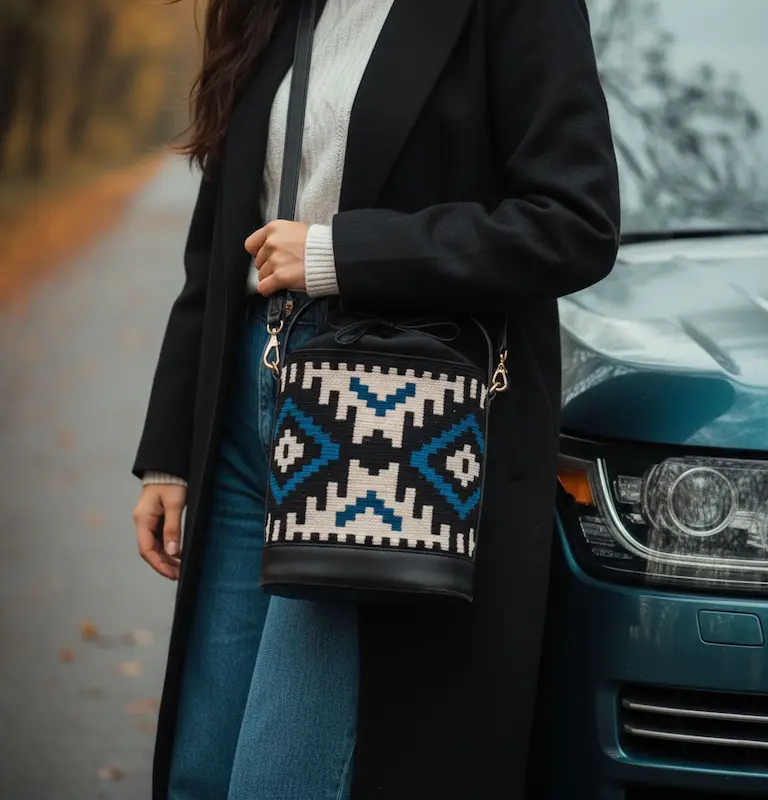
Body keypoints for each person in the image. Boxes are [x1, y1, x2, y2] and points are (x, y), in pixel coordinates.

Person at [131, 0, 620, 797]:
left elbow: (573, 222)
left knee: (282, 774)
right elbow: (216, 247)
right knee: (203, 767)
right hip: (243, 411)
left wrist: (339, 253)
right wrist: (169, 453)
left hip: (382, 413)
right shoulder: (275, 9)